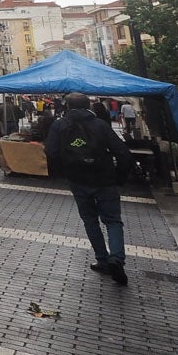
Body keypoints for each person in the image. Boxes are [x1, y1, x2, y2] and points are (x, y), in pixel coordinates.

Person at [45, 92, 136, 286]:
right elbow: (123, 152)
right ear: (89, 106)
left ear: (67, 107)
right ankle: (117, 258)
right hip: (104, 178)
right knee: (113, 221)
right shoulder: (100, 125)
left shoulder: (60, 125)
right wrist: (119, 176)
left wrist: (65, 172)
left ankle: (102, 259)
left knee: (90, 220)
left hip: (78, 179)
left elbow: (51, 152)